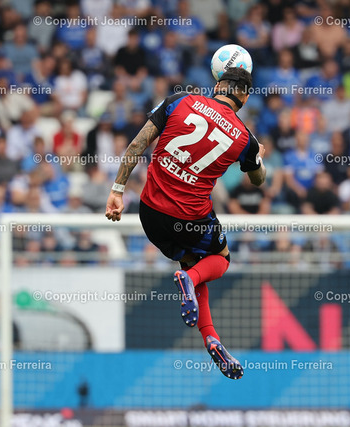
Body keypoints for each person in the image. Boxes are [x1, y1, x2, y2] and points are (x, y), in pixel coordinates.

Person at [105, 67, 266, 379]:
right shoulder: (245, 138)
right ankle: (189, 279)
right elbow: (259, 180)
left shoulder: (179, 100)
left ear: (217, 85)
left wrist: (117, 190)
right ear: (245, 97)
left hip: (150, 213)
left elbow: (137, 145)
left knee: (195, 263)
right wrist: (257, 156)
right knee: (219, 259)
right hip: (190, 219)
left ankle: (211, 339)